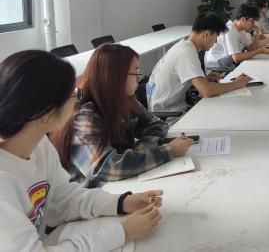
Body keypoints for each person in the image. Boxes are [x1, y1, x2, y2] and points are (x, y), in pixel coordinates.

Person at [0, 50, 162, 250]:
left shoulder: (39, 144)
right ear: (46, 112)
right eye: (74, 95)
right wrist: (122, 232)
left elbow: (65, 199)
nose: (77, 100)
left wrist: (122, 202)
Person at [50, 44, 194, 188]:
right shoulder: (86, 114)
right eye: (135, 73)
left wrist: (143, 147)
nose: (139, 78)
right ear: (116, 76)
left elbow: (157, 124)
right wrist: (169, 151)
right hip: (94, 191)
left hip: (122, 181)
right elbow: (104, 168)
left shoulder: (125, 99)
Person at [147, 11, 251, 113]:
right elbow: (207, 91)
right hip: (169, 115)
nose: (215, 42)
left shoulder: (183, 45)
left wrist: (204, 79)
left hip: (168, 108)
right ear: (207, 34)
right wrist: (236, 84)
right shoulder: (186, 52)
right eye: (216, 37)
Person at [205, 4, 269, 69]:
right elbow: (237, 58)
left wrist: (257, 31)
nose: (254, 25)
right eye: (252, 22)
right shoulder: (230, 30)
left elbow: (252, 49)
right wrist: (259, 51)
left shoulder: (242, 30)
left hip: (228, 65)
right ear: (243, 19)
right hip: (217, 67)